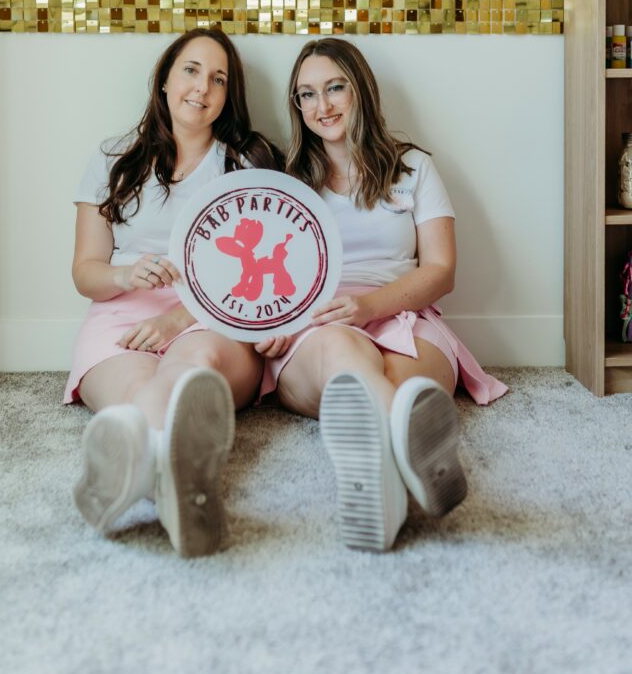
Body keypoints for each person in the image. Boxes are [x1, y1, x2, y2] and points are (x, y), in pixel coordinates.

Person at [255, 38, 507, 553]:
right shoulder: (288, 181)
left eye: (334, 88)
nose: (322, 106)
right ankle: (415, 457)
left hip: (404, 316)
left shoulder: (413, 168)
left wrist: (370, 306)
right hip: (318, 327)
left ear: (361, 90)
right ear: (296, 105)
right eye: (307, 95)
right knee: (346, 359)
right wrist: (276, 320)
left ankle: (378, 486)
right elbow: (266, 274)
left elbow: (441, 270)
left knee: (391, 389)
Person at [65, 28, 282, 557]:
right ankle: (176, 488)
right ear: (164, 79)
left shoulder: (246, 163)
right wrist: (124, 277)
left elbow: (264, 273)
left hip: (216, 317)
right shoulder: (113, 158)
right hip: (123, 315)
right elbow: (85, 272)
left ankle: (135, 476)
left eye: (218, 79)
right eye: (191, 70)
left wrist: (180, 318)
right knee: (139, 395)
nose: (202, 87)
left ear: (228, 95)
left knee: (192, 371)